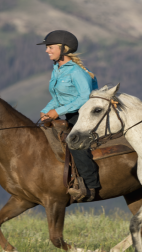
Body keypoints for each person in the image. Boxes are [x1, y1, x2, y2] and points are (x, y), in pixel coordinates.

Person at [38, 30, 100, 202]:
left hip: (83, 115)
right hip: (70, 114)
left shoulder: (76, 71)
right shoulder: (57, 68)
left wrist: (57, 112)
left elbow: (84, 97)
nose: (46, 51)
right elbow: (58, 98)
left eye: (50, 47)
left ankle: (90, 186)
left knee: (75, 143)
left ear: (63, 49)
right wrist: (46, 110)